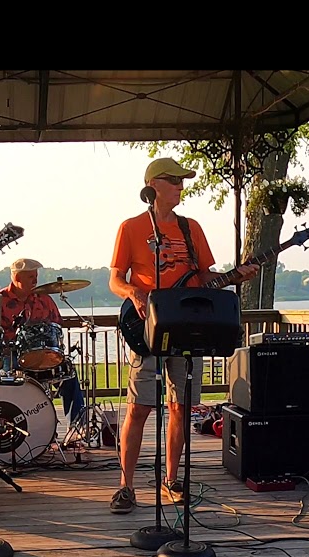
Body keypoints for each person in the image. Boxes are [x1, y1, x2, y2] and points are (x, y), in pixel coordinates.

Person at [107, 158, 260, 513]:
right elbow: (115, 279)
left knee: (180, 406)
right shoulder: (130, 227)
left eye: (181, 181)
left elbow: (205, 278)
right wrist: (133, 293)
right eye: (173, 180)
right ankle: (126, 486)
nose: (180, 186)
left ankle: (171, 479)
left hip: (187, 328)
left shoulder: (191, 228)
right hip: (147, 327)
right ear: (153, 185)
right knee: (140, 406)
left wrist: (236, 276)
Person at [0, 258, 82, 422]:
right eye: (30, 277)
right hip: (12, 356)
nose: (35, 280)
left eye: (36, 276)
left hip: (43, 355)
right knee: (8, 374)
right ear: (17, 278)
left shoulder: (44, 299)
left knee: (68, 373)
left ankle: (77, 425)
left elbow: (56, 324)